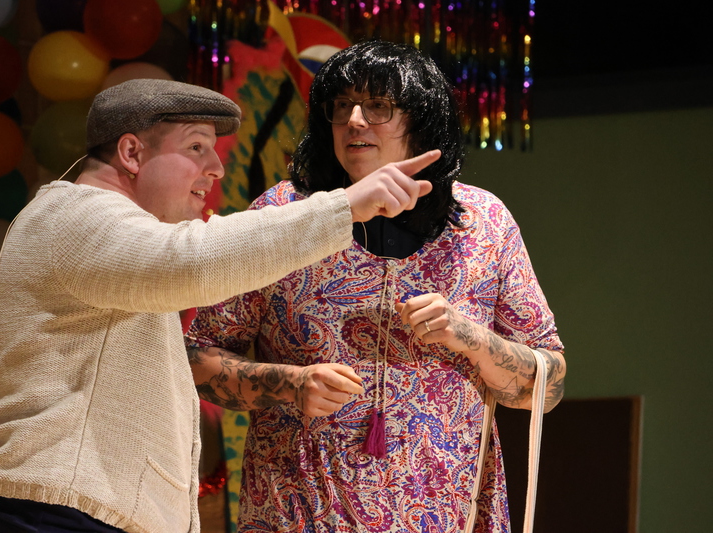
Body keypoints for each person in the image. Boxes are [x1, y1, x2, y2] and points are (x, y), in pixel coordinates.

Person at [0, 78, 438, 533]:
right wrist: (344, 206)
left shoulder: (109, 233)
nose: (216, 167)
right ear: (131, 152)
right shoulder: (78, 216)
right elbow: (195, 257)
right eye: (195, 147)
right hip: (55, 517)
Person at [186, 40, 567, 532]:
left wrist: (470, 337)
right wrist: (289, 385)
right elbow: (195, 360)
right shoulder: (284, 215)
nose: (354, 120)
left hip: (446, 517)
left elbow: (547, 385)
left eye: (378, 106)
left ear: (421, 120)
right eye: (341, 105)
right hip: (299, 514)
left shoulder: (483, 223)